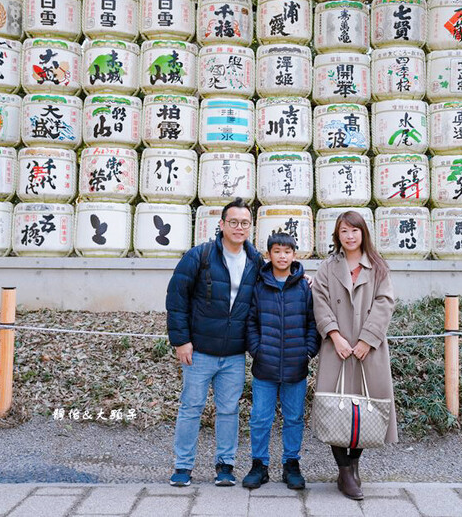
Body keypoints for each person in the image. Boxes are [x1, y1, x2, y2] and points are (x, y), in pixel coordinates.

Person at [165, 198, 263, 487]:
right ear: (221, 225)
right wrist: (181, 341)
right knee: (191, 408)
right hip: (199, 352)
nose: (239, 227)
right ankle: (183, 466)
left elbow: (279, 278)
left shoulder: (255, 260)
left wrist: (303, 278)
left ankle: (225, 465)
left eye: (245, 223)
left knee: (229, 410)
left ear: (250, 227)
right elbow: (177, 299)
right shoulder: (200, 256)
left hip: (234, 353)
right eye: (233, 222)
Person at [310, 210, 398, 501]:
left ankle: (353, 465)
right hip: (336, 347)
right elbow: (319, 302)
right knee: (332, 405)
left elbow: (385, 303)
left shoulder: (377, 267)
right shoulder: (327, 268)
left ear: (363, 234)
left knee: (368, 407)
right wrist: (334, 335)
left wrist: (366, 340)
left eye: (354, 231)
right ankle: (345, 470)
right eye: (344, 231)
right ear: (337, 235)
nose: (349, 236)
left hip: (368, 350)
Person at [242, 233, 321, 491]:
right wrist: (257, 350)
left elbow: (314, 323)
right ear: (269, 255)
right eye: (277, 251)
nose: (282, 256)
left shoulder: (304, 287)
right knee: (260, 418)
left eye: (287, 251)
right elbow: (251, 322)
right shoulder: (259, 285)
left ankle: (291, 465)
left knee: (294, 418)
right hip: (264, 366)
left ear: (295, 255)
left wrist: (307, 352)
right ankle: (259, 465)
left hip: (296, 367)